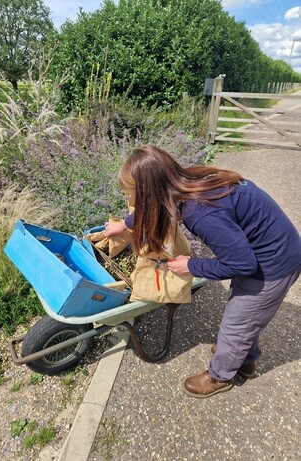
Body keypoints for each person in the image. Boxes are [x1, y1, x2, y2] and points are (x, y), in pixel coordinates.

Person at [104, 144, 301, 398]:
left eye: (133, 194)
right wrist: (124, 224)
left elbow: (243, 265)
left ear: (149, 191)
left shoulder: (201, 212)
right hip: (266, 249)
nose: (132, 200)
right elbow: (155, 206)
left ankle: (219, 376)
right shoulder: (186, 179)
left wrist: (191, 265)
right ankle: (245, 360)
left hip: (274, 262)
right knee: (244, 317)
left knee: (237, 324)